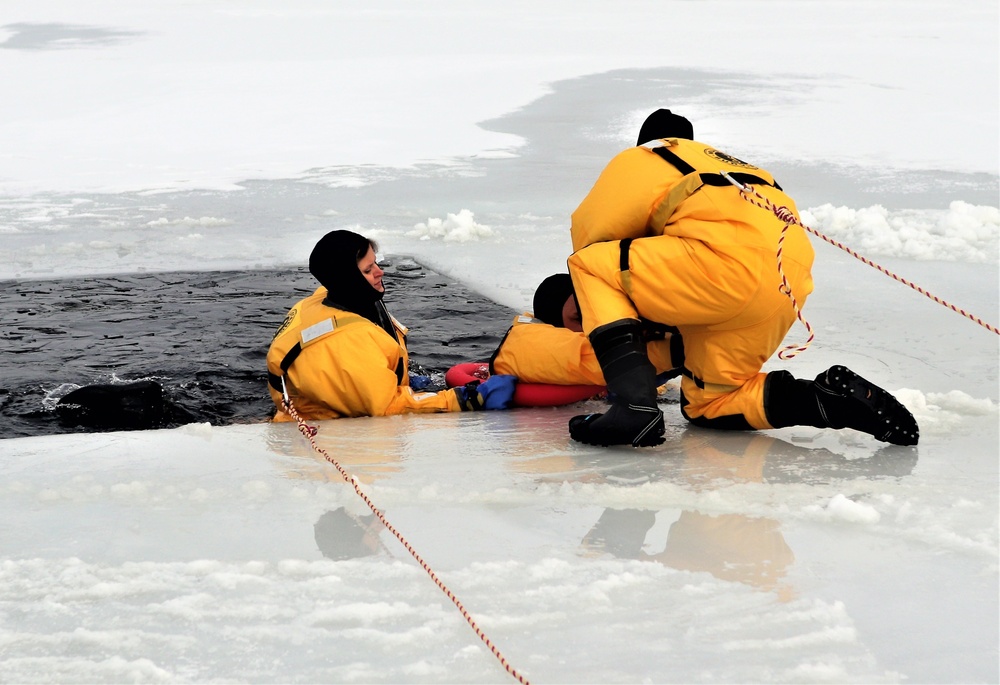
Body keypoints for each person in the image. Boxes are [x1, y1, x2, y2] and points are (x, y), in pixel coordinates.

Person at [564, 108, 919, 448]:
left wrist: (615, 317)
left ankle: (634, 406)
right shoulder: (736, 167)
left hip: (722, 267)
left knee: (589, 265)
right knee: (711, 402)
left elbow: (592, 236)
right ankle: (827, 401)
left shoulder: (646, 157)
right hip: (785, 282)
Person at [267, 229, 516, 421]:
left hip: (351, 385)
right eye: (368, 270)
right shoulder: (348, 344)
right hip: (328, 427)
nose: (380, 272)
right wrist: (466, 399)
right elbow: (387, 407)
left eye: (376, 263)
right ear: (347, 279)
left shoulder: (336, 297)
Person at [489, 273, 684, 387]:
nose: (593, 325)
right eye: (579, 318)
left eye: (593, 313)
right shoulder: (529, 344)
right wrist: (679, 351)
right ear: (554, 323)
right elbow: (591, 360)